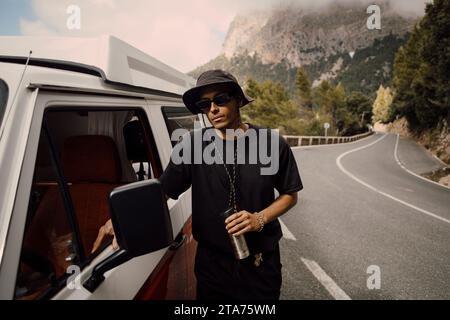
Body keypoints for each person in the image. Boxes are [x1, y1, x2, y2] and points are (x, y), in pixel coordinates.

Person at [93, 69, 303, 300]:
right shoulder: (192, 146)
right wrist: (123, 220)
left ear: (238, 100)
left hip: (260, 263)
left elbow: (290, 195)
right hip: (212, 267)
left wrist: (258, 219)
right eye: (205, 104)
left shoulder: (271, 143)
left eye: (221, 99)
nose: (213, 109)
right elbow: (162, 191)